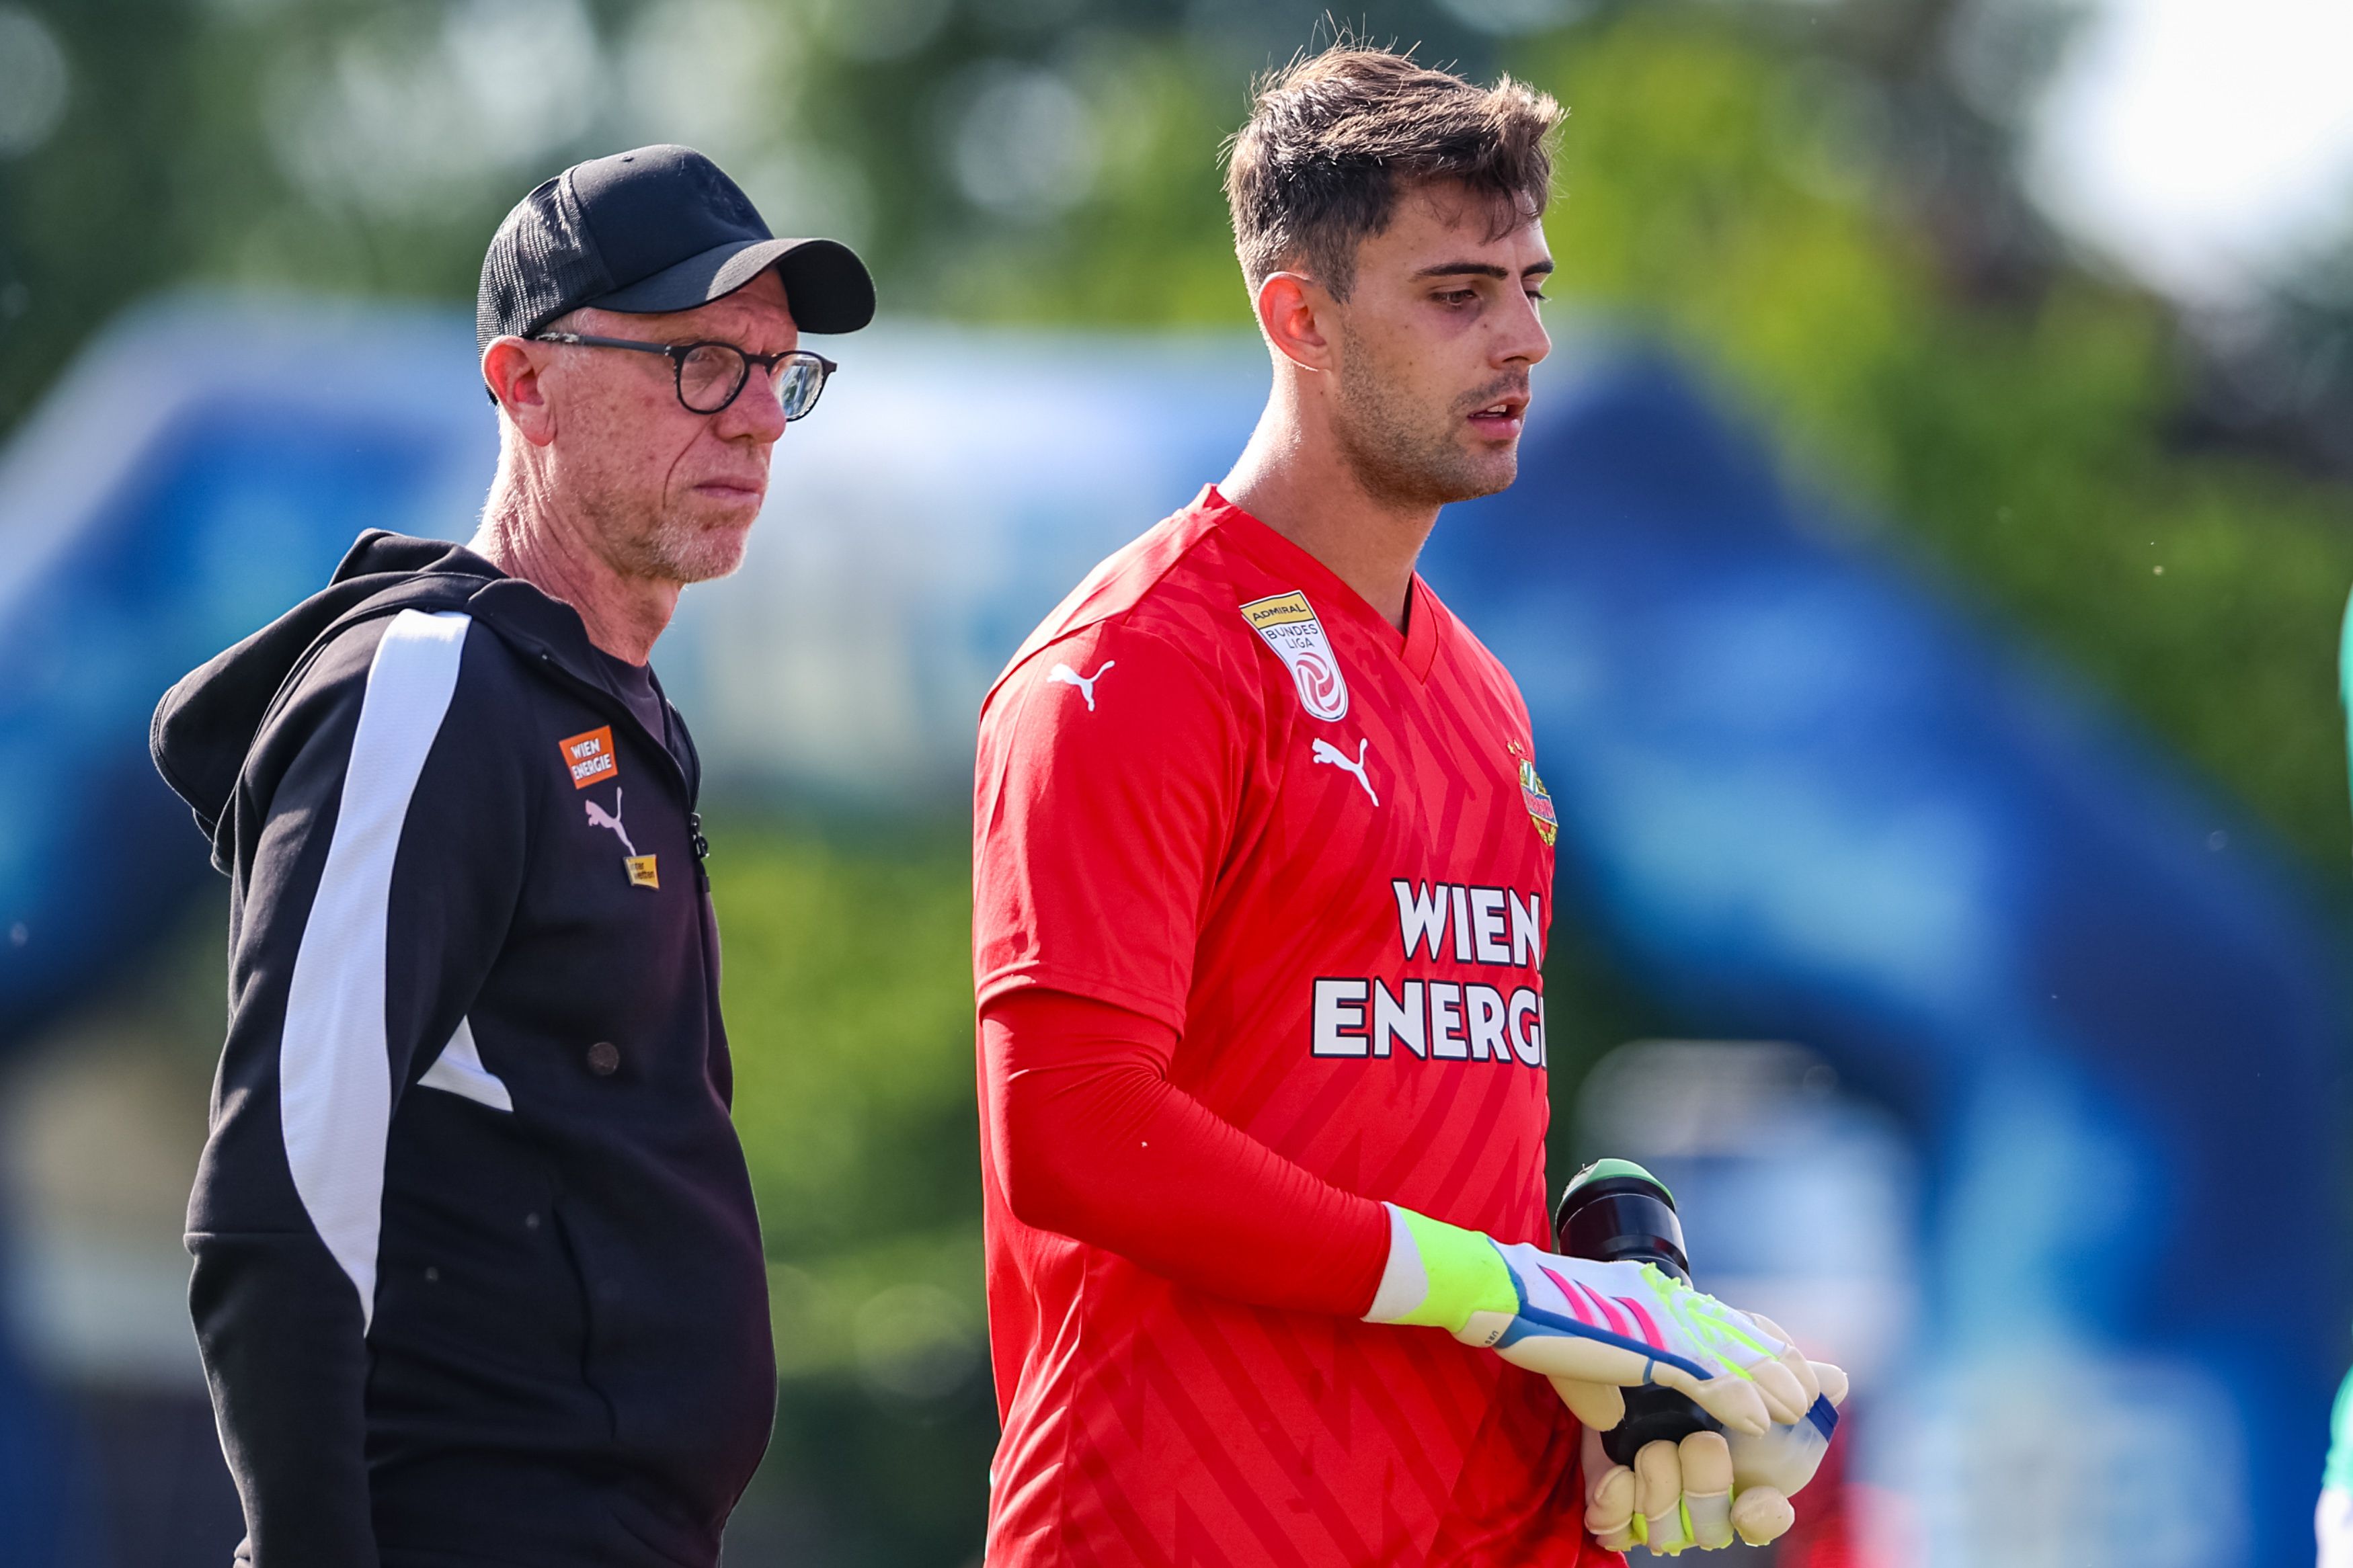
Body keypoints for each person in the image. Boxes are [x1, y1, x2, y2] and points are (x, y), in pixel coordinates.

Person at [970, 45, 1843, 1568]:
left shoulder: (1485, 697)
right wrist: (1504, 1293)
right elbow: (1073, 1131)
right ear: (1296, 316)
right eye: (1457, 294)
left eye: (1532, 284)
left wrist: (1603, 1347)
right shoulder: (1129, 667)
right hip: (1175, 1528)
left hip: (1476, 1525)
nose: (1522, 340)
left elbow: (1431, 1129)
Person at [149, 145, 873, 1567]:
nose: (757, 421)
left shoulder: (611, 709)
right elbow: (277, 1195)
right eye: (696, 363)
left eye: (777, 370)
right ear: (523, 381)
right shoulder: (430, 683)